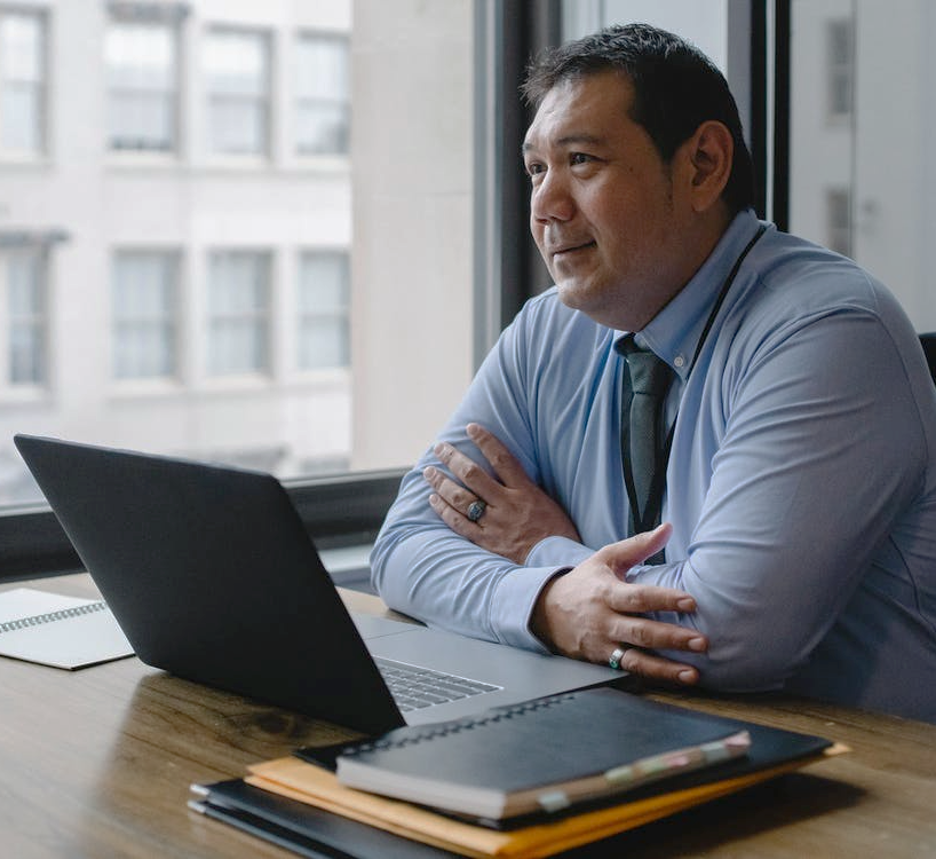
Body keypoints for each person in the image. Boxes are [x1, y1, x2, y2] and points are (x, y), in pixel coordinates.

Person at [370, 22, 936, 723]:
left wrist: (539, 549)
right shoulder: (547, 329)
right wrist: (551, 600)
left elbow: (722, 637)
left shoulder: (828, 331)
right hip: (635, 734)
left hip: (868, 783)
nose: (546, 207)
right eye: (536, 170)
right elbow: (402, 548)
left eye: (581, 161)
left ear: (702, 165)